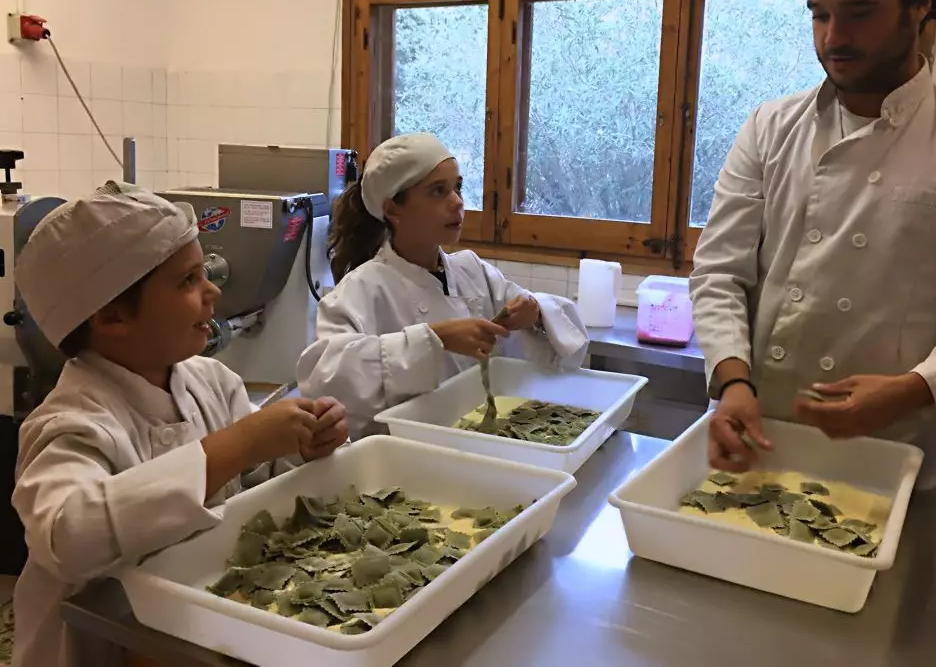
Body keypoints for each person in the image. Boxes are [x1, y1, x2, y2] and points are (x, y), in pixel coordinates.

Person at [689, 0, 936, 488]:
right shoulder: (769, 128)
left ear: (919, 9)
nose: (833, 37)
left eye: (860, 13)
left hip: (890, 454)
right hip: (758, 435)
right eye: (819, 14)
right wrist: (733, 380)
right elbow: (720, 270)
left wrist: (910, 392)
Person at [10, 183, 350, 667]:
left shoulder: (210, 381)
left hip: (195, 625)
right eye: (188, 280)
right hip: (97, 646)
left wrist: (301, 447)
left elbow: (253, 484)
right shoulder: (70, 424)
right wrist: (233, 446)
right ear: (111, 317)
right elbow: (68, 536)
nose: (213, 290)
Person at [297, 132, 589, 438]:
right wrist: (434, 339)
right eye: (438, 191)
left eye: (457, 187)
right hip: (407, 457)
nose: (457, 202)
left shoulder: (472, 271)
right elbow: (326, 380)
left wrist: (536, 313)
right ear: (393, 209)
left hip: (486, 444)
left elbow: (561, 328)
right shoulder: (361, 290)